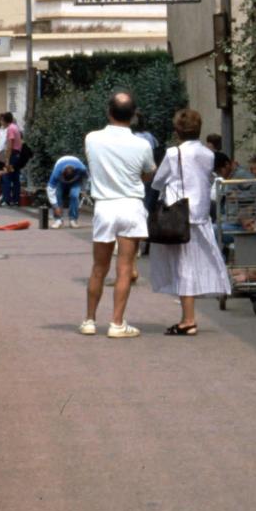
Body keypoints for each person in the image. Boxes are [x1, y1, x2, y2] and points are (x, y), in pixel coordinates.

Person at [80, 91, 155, 338]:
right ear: (133, 116)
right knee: (124, 268)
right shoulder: (143, 145)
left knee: (98, 267)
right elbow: (148, 174)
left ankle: (89, 320)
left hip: (104, 206)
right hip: (131, 206)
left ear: (108, 112)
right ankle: (117, 323)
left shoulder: (92, 138)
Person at [147, 109, 229, 335]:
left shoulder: (174, 153)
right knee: (194, 262)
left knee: (183, 265)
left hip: (178, 214)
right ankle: (187, 316)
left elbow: (158, 181)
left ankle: (188, 319)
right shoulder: (208, 154)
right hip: (200, 214)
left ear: (177, 130)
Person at [46, 154, 87, 228]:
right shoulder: (56, 173)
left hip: (76, 180)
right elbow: (50, 189)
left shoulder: (82, 169)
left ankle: (73, 220)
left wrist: (84, 189)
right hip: (61, 181)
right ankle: (58, 220)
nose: (68, 182)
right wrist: (55, 207)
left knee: (74, 195)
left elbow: (85, 178)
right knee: (57, 194)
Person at [0, 112, 25, 206]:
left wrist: (7, 159)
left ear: (4, 120)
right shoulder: (15, 127)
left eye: (1, 120)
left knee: (6, 177)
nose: (1, 122)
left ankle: (7, 200)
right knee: (15, 177)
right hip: (17, 154)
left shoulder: (10, 129)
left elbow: (10, 144)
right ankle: (16, 199)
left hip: (12, 155)